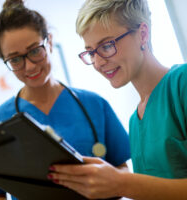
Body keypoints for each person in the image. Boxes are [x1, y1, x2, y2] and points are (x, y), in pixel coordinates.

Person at [0, 0, 131, 199]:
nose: (29, 67)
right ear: (5, 60)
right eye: (15, 59)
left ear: (50, 42)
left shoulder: (94, 104)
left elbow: (123, 171)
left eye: (35, 50)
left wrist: (110, 182)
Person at [48, 0, 187, 199]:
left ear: (143, 34)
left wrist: (121, 183)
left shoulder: (182, 84)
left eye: (106, 45)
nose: (97, 62)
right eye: (90, 52)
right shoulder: (136, 119)